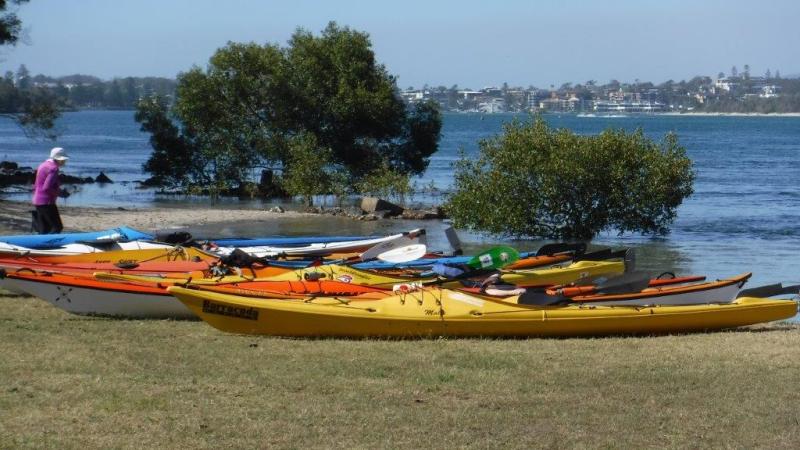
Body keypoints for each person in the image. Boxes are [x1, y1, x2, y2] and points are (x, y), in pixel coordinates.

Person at [32, 147, 69, 234]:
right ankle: (50, 242)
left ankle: (40, 242)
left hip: (38, 200)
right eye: (64, 160)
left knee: (44, 229)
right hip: (47, 202)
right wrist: (60, 194)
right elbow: (47, 187)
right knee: (57, 227)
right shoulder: (54, 168)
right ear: (59, 159)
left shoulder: (43, 165)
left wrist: (59, 191)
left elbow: (38, 184)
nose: (65, 161)